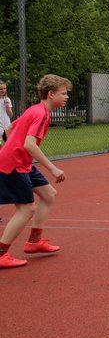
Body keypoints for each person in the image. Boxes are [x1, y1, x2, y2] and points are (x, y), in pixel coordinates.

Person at [0, 75, 71, 269]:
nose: (66, 97)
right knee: (26, 209)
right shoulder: (41, 114)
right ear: (51, 94)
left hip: (21, 162)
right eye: (63, 94)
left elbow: (9, 128)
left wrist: (11, 147)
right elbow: (29, 144)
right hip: (13, 163)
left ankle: (34, 242)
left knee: (48, 194)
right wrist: (53, 168)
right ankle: (1, 253)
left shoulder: (36, 109)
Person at [0, 80, 12, 145]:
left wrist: (7, 107)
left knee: (9, 144)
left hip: (6, 126)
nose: (3, 90)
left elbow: (10, 115)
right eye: (1, 89)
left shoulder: (7, 100)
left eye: (4, 88)